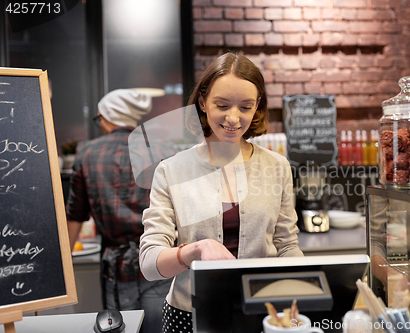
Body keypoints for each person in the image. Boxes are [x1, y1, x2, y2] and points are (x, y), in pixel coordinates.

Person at [139, 52, 304, 333]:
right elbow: (150, 264)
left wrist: (300, 291)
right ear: (203, 102)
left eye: (245, 107)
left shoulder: (277, 166)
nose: (233, 118)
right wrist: (194, 251)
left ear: (257, 107)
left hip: (262, 311)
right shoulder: (171, 171)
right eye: (222, 105)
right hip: (188, 315)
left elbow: (287, 245)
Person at [66, 89, 173, 333]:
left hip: (116, 267)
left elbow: (75, 214)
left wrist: (63, 268)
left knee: (119, 329)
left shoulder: (87, 152)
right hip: (160, 261)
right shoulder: (163, 147)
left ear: (105, 118)